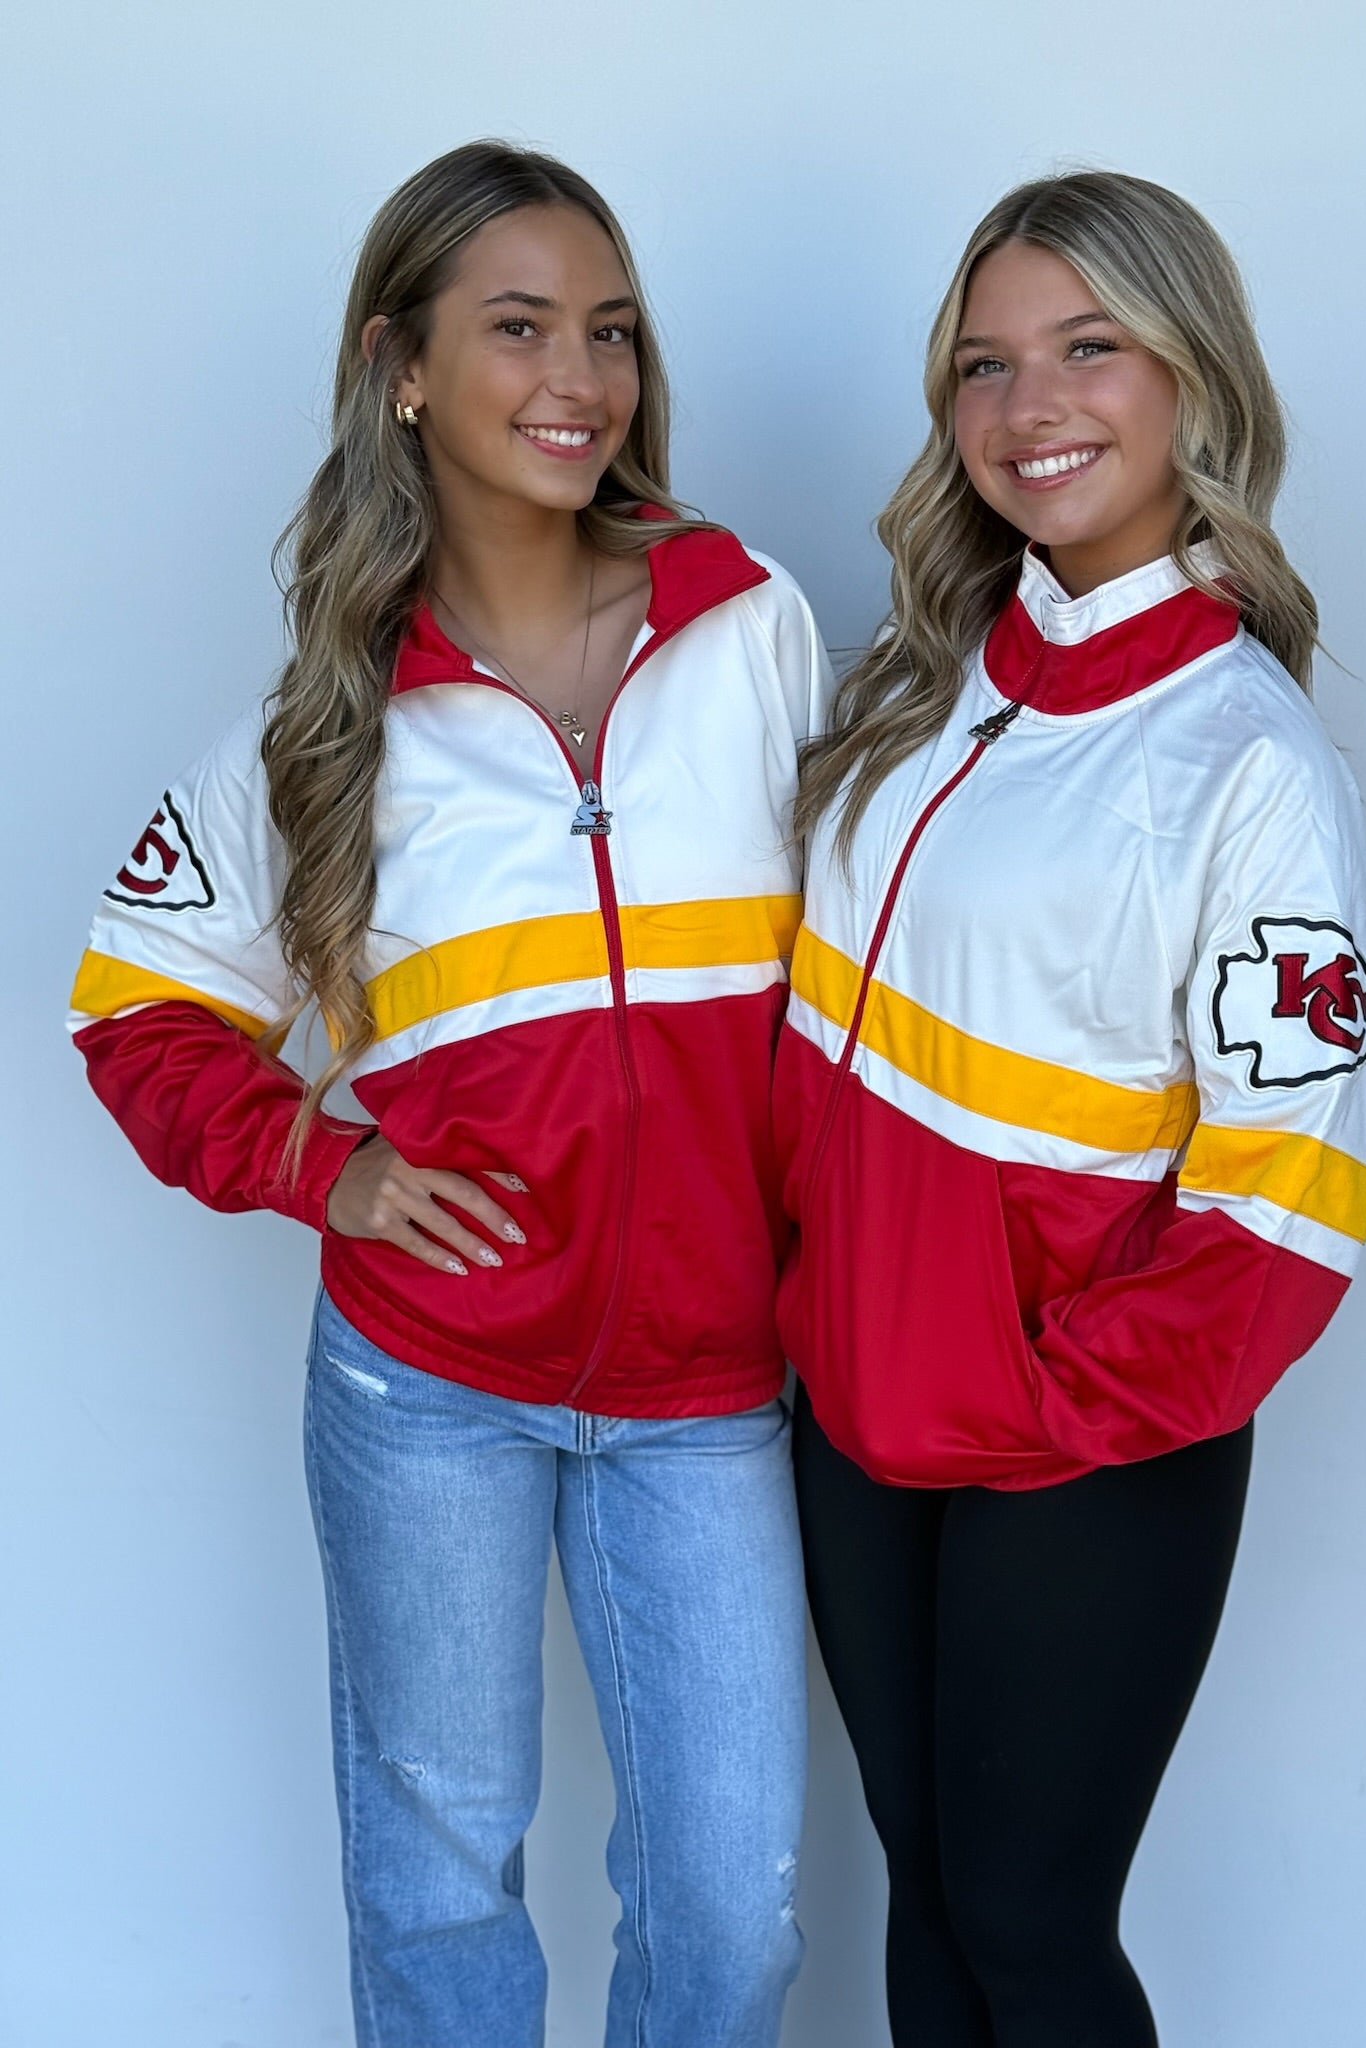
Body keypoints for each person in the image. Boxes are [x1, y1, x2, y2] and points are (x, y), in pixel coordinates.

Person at [68, 141, 829, 2048]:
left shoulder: (745, 624)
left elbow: (873, 960)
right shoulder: (331, 722)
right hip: (429, 1390)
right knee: (437, 1899)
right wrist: (321, 1165)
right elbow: (136, 1006)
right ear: (401, 364)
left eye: (612, 331)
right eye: (519, 328)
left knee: (731, 1919)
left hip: (709, 1386)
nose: (580, 378)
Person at [777, 171, 1366, 2046]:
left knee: (1031, 1924)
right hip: (856, 1406)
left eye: (1088, 347)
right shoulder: (934, 677)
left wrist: (1044, 1400)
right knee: (928, 1887)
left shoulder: (1249, 759)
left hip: (1077, 1450)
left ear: (1192, 374)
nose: (1028, 405)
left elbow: (1290, 1203)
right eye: (985, 364)